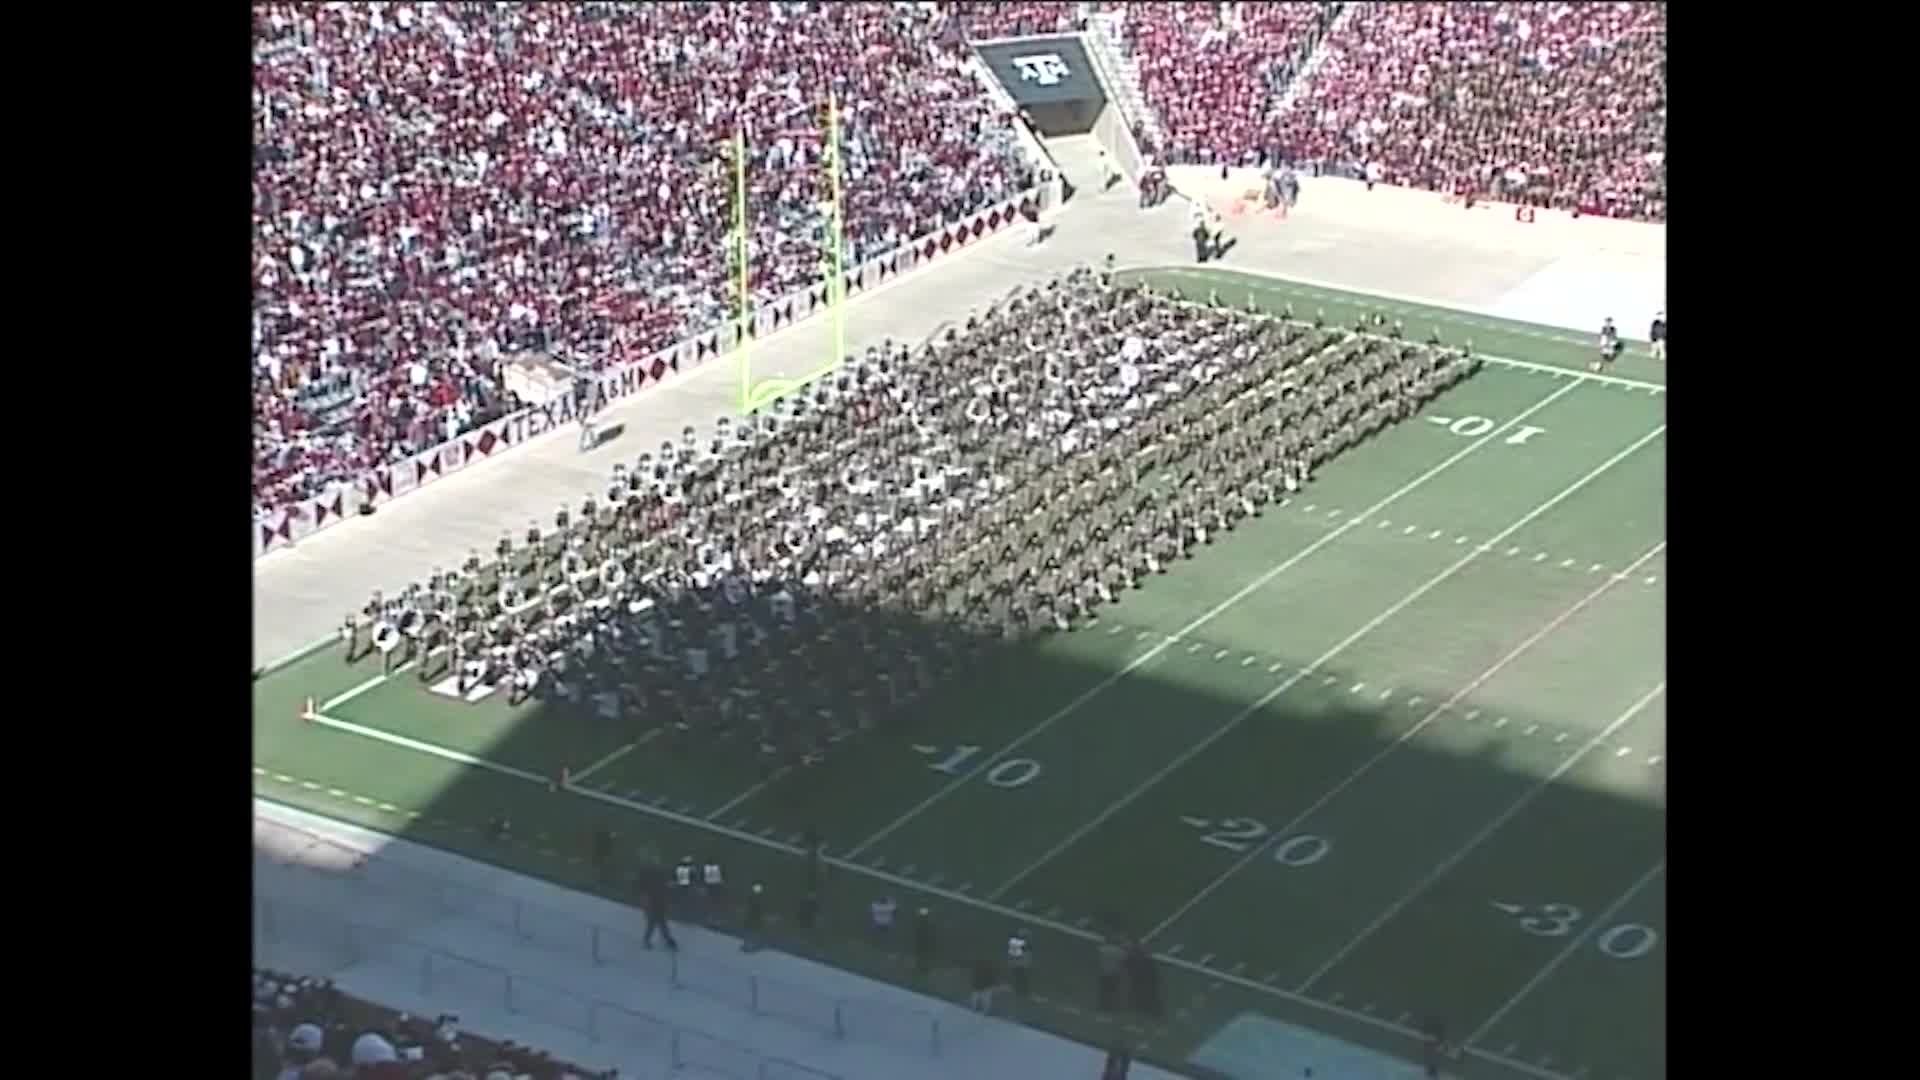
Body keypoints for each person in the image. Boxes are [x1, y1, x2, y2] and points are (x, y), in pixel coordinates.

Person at [1096, 936, 1126, 1012]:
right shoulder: (1120, 952)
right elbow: (1123, 962)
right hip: (1114, 974)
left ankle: (1102, 1006)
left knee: (1103, 991)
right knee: (1113, 992)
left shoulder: (1103, 949)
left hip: (1104, 973)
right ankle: (1111, 1007)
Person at [912, 906, 937, 976]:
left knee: (922, 955)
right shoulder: (927, 924)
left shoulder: (922, 924)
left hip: (922, 941)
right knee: (923, 955)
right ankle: (922, 967)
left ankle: (921, 967)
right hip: (924, 942)